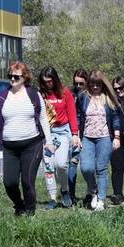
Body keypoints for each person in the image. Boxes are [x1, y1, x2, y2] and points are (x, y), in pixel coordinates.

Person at [0, 61, 54, 216]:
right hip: (10, 148)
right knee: (9, 183)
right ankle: (19, 205)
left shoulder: (33, 95)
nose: (12, 79)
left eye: (16, 76)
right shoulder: (2, 97)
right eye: (10, 76)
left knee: (27, 182)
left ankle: (30, 214)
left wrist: (48, 142)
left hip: (32, 145)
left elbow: (43, 119)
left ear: (25, 77)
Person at [75, 70, 120, 211]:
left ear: (103, 85)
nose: (95, 87)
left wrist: (117, 137)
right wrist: (76, 135)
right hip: (87, 137)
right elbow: (78, 116)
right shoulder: (83, 97)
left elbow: (115, 118)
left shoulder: (108, 98)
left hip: (104, 138)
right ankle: (93, 189)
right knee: (86, 168)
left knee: (101, 169)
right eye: (93, 84)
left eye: (98, 84)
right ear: (89, 84)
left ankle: (101, 199)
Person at [37, 66, 78, 209]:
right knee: (48, 166)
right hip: (48, 134)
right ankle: (53, 198)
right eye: (45, 82)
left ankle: (65, 190)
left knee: (61, 164)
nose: (48, 84)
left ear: (55, 79)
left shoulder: (65, 92)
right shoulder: (41, 95)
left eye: (50, 81)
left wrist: (75, 134)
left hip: (63, 132)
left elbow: (72, 114)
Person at [67, 68, 89, 200]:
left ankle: (90, 192)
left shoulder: (90, 95)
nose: (78, 86)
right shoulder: (71, 94)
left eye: (81, 83)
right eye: (76, 83)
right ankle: (71, 194)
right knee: (73, 162)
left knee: (88, 165)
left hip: (89, 133)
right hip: (74, 132)